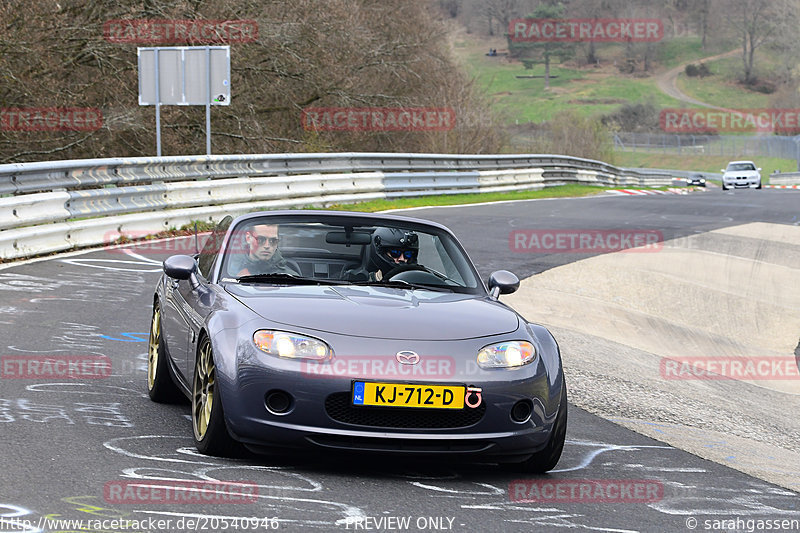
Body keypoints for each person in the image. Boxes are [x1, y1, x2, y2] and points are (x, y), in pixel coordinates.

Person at [345, 227, 419, 281]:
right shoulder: (358, 281)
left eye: (408, 254)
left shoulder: (420, 278)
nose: (402, 259)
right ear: (382, 252)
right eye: (395, 253)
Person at [230, 222, 300, 277]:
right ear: (248, 238)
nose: (267, 246)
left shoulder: (290, 277)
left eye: (273, 240)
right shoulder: (229, 272)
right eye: (260, 239)